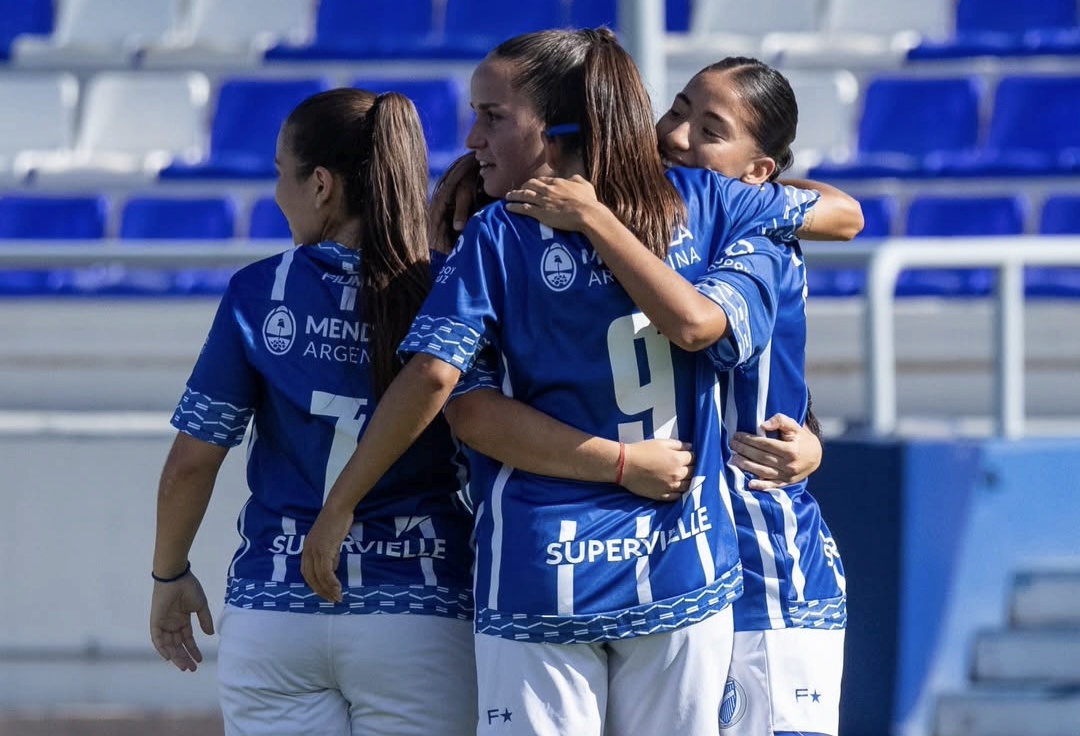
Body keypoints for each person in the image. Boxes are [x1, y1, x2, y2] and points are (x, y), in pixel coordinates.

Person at [302, 29, 820, 735]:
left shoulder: (495, 236)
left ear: (559, 128)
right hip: (682, 570)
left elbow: (447, 392)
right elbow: (841, 214)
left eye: (492, 117)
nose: (471, 136)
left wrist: (339, 508)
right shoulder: (710, 201)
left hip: (541, 572)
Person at [496, 57, 851, 736]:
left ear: (757, 173)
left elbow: (844, 217)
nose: (678, 135)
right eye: (679, 108)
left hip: (763, 567)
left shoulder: (756, 232)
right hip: (668, 566)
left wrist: (807, 443)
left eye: (710, 129)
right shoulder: (653, 231)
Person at [148, 88, 479, 736]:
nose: (277, 194)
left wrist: (170, 574)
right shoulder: (452, 285)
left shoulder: (258, 291)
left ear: (321, 184)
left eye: (280, 173)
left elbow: (192, 463)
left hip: (278, 611)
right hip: (418, 610)